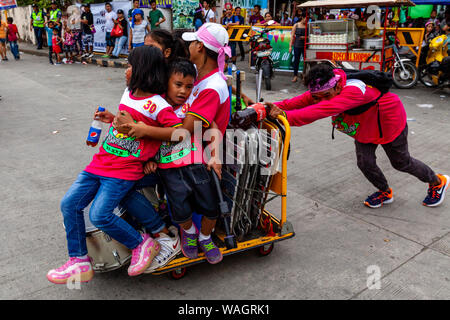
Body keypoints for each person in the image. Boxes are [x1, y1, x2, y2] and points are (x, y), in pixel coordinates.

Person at [46, 46, 183, 284]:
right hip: (100, 162)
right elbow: (124, 126)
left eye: (130, 66)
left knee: (100, 214)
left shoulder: (158, 105)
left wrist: (143, 132)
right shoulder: (128, 93)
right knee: (69, 204)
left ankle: (142, 244)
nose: (126, 70)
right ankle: (79, 260)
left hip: (123, 170)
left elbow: (179, 134)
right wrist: (112, 119)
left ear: (143, 70)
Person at [115, 23, 232, 265]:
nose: (183, 90)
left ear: (200, 47)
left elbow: (197, 129)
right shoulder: (163, 100)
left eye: (187, 87)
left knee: (210, 207)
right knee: (179, 208)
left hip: (197, 162)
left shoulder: (202, 92)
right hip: (169, 168)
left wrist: (214, 154)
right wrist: (149, 157)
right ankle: (187, 234)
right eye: (178, 85)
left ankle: (204, 237)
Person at [267, 64, 449, 209]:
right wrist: (268, 106)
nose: (321, 100)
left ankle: (437, 181)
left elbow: (319, 110)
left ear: (337, 86)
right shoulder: (325, 86)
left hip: (389, 122)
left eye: (326, 96)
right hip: (364, 126)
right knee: (365, 163)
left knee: (401, 162)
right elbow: (301, 101)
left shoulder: (354, 90)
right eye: (317, 97)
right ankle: (385, 191)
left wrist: (283, 117)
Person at [290, 14, 306, 83]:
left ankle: (304, 75)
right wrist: (290, 46)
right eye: (305, 18)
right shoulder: (296, 25)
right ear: (302, 17)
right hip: (297, 45)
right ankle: (295, 76)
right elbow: (292, 36)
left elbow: (310, 36)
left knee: (306, 62)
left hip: (305, 45)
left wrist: (305, 37)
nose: (306, 20)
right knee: (296, 61)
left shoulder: (307, 25)